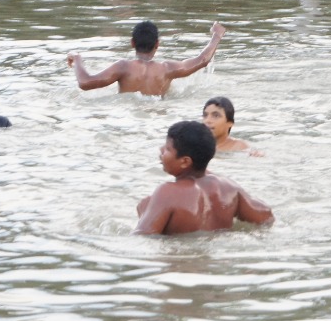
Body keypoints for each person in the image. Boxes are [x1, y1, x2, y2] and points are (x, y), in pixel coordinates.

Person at [134, 120, 273, 235]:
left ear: (185, 162)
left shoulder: (167, 192)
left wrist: (145, 211)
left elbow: (142, 238)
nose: (161, 149)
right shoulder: (228, 187)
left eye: (168, 149)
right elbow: (266, 216)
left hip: (181, 264)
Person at [67, 21, 225, 97]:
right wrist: (217, 35)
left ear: (132, 43)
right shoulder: (167, 68)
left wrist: (77, 59)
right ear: (157, 44)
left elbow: (85, 83)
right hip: (159, 113)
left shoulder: (123, 67)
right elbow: (203, 60)